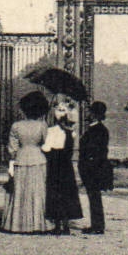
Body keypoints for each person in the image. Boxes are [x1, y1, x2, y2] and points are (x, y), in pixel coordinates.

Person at [2, 91, 49, 234]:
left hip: (21, 159)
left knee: (20, 192)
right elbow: (47, 145)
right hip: (38, 159)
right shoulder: (42, 125)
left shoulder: (16, 126)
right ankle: (36, 224)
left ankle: (17, 224)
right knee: (37, 192)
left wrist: (14, 158)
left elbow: (12, 148)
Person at [43, 99, 84, 235]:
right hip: (66, 166)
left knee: (55, 193)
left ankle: (57, 225)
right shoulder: (71, 133)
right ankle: (66, 224)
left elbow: (46, 148)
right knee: (67, 193)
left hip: (55, 164)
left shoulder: (51, 131)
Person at [77, 101, 114, 234]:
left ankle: (97, 226)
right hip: (95, 167)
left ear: (94, 114)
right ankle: (97, 224)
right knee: (94, 197)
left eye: (89, 111)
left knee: (94, 197)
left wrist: (89, 166)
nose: (87, 113)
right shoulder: (99, 130)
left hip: (93, 169)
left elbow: (94, 151)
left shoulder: (96, 130)